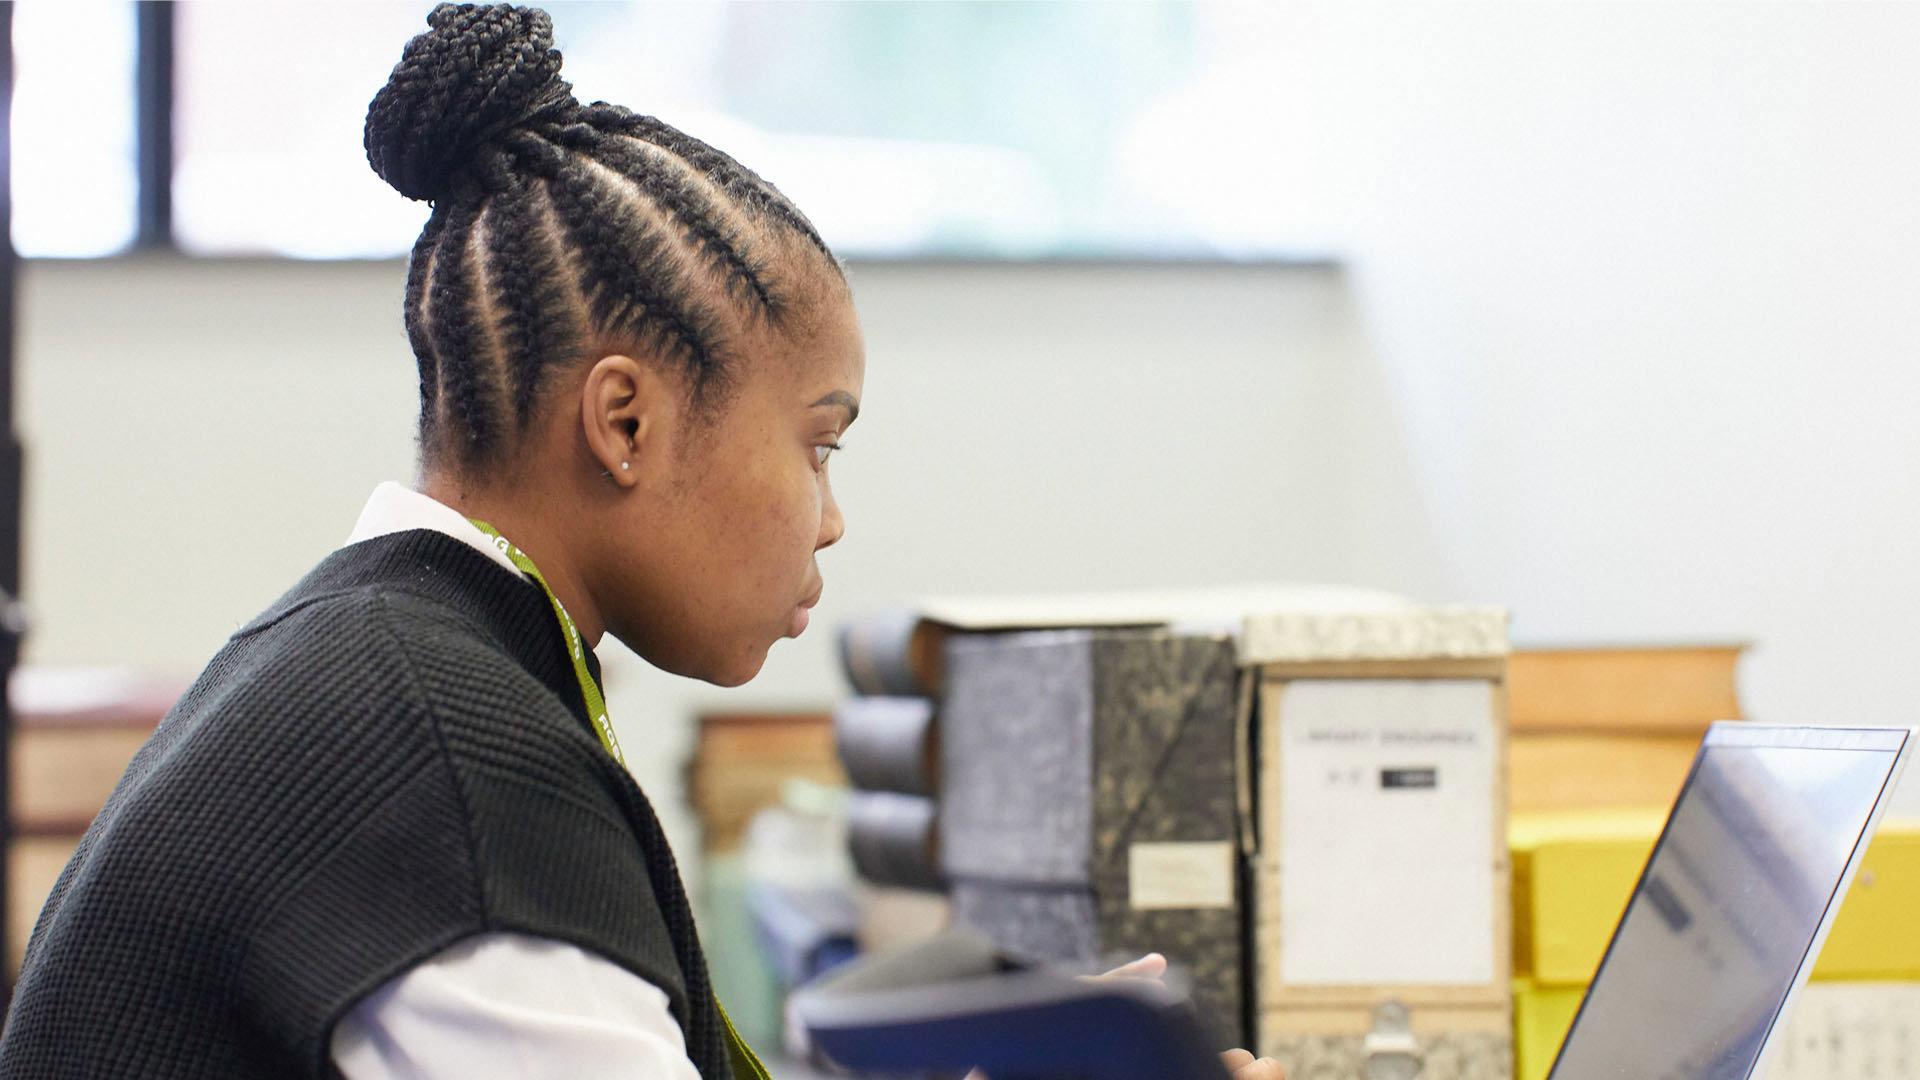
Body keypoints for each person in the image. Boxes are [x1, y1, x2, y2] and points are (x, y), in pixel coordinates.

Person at [0, 6, 1284, 1080]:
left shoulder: (384, 666)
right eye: (818, 444)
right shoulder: (449, 764)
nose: (830, 514)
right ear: (626, 419)